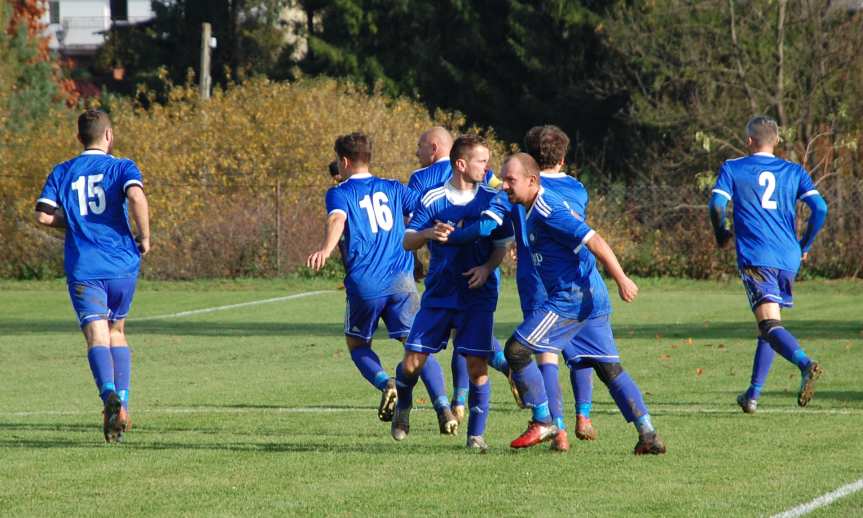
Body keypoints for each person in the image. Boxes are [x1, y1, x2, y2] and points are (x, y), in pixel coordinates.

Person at [444, 126, 598, 452]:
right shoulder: (577, 188)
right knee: (580, 352)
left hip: (535, 277)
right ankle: (583, 414)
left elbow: (495, 213)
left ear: (528, 159)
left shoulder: (511, 188)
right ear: (563, 156)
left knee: (545, 354)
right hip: (575, 279)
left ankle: (556, 429)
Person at [500, 153, 666, 455]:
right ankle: (648, 434)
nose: (505, 186)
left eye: (510, 180)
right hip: (591, 297)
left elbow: (595, 241)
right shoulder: (534, 210)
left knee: (516, 350)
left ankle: (543, 420)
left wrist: (622, 278)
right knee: (609, 369)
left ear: (532, 181)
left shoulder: (548, 209)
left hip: (570, 300)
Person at [307, 133, 449, 424]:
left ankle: (386, 383)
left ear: (344, 161)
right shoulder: (394, 188)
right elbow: (426, 208)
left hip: (366, 283)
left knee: (357, 345)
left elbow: (337, 220)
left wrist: (325, 249)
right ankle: (444, 408)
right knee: (418, 346)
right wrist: (422, 239)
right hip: (402, 280)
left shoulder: (340, 192)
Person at [34, 109, 150, 443]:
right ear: (109, 135)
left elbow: (42, 215)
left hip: (85, 266)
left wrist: (73, 221)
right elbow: (136, 195)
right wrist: (144, 236)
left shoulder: (63, 171)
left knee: (96, 335)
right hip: (121, 264)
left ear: (78, 138)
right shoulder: (121, 166)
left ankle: (108, 395)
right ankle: (123, 404)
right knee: (117, 330)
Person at [393, 135, 514, 451]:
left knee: (477, 366)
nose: (487, 167)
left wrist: (487, 267)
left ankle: (476, 435)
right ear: (461, 164)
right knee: (411, 363)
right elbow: (407, 241)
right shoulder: (433, 198)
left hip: (476, 296)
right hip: (439, 294)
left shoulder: (491, 197)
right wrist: (427, 233)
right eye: (481, 161)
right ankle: (403, 404)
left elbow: (502, 243)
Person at [709, 116, 828, 413]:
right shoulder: (794, 170)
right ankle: (752, 395)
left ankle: (805, 363)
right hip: (788, 257)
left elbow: (716, 205)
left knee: (769, 325)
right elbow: (821, 208)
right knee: (769, 326)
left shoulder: (734, 167)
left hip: (757, 256)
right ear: (776, 141)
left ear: (749, 141)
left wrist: (722, 234)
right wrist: (806, 245)